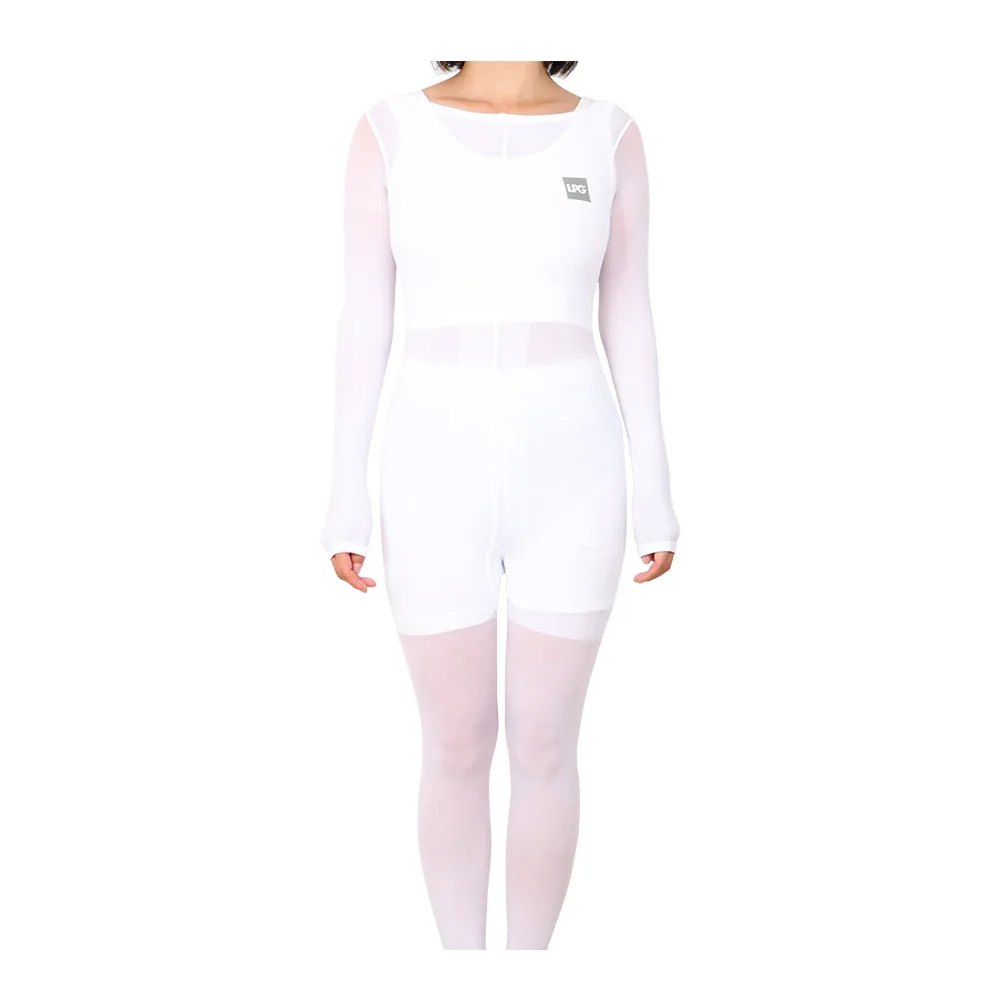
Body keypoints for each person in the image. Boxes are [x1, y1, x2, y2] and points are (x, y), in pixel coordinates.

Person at [320, 60, 680, 949]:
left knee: (547, 741)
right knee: (454, 740)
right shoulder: (387, 130)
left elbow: (629, 313)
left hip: (577, 477)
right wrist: (344, 496)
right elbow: (364, 317)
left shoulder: (611, 135)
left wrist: (656, 492)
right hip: (431, 473)